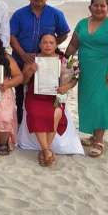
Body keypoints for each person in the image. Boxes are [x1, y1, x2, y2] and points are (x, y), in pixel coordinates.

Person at [65, 0, 108, 158]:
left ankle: (99, 140)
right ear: (90, 7)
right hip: (86, 70)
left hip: (106, 69)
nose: (99, 8)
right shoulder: (82, 23)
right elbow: (73, 45)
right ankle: (93, 136)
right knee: (89, 102)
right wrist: (63, 60)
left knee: (101, 103)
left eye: (102, 6)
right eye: (96, 5)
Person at [10, 0, 70, 124]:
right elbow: (11, 37)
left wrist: (50, 48)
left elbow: (64, 33)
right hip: (21, 59)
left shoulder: (56, 14)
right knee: (20, 93)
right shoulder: (19, 14)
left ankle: (44, 122)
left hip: (46, 61)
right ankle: (20, 122)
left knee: (44, 93)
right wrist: (24, 54)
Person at [21, 34, 78, 166]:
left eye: (51, 43)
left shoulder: (64, 60)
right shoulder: (32, 59)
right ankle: (47, 150)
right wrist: (30, 71)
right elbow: (23, 81)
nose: (48, 45)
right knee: (36, 113)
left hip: (56, 96)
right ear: (40, 45)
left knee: (56, 112)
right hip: (35, 96)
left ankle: (45, 150)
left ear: (56, 45)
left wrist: (66, 86)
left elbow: (75, 78)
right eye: (45, 42)